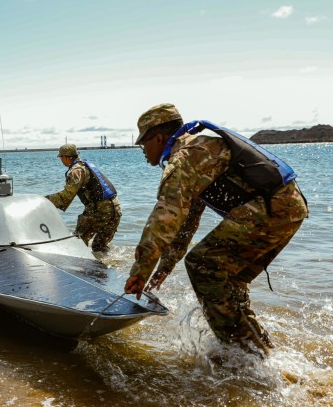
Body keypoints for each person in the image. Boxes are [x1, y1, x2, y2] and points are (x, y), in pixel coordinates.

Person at [124, 103, 308, 356]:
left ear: (158, 137)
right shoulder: (199, 148)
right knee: (229, 282)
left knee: (203, 266)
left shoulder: (185, 157)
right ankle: (261, 353)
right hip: (287, 208)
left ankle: (242, 357)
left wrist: (140, 270)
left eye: (143, 143)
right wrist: (165, 264)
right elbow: (187, 220)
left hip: (272, 207)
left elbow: (165, 217)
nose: (143, 150)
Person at [46, 143, 122, 253]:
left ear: (66, 157)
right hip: (116, 210)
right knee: (98, 247)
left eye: (61, 157)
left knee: (78, 242)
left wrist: (45, 200)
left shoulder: (76, 171)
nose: (61, 160)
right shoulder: (86, 165)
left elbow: (66, 196)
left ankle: (79, 269)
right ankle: (107, 268)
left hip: (100, 210)